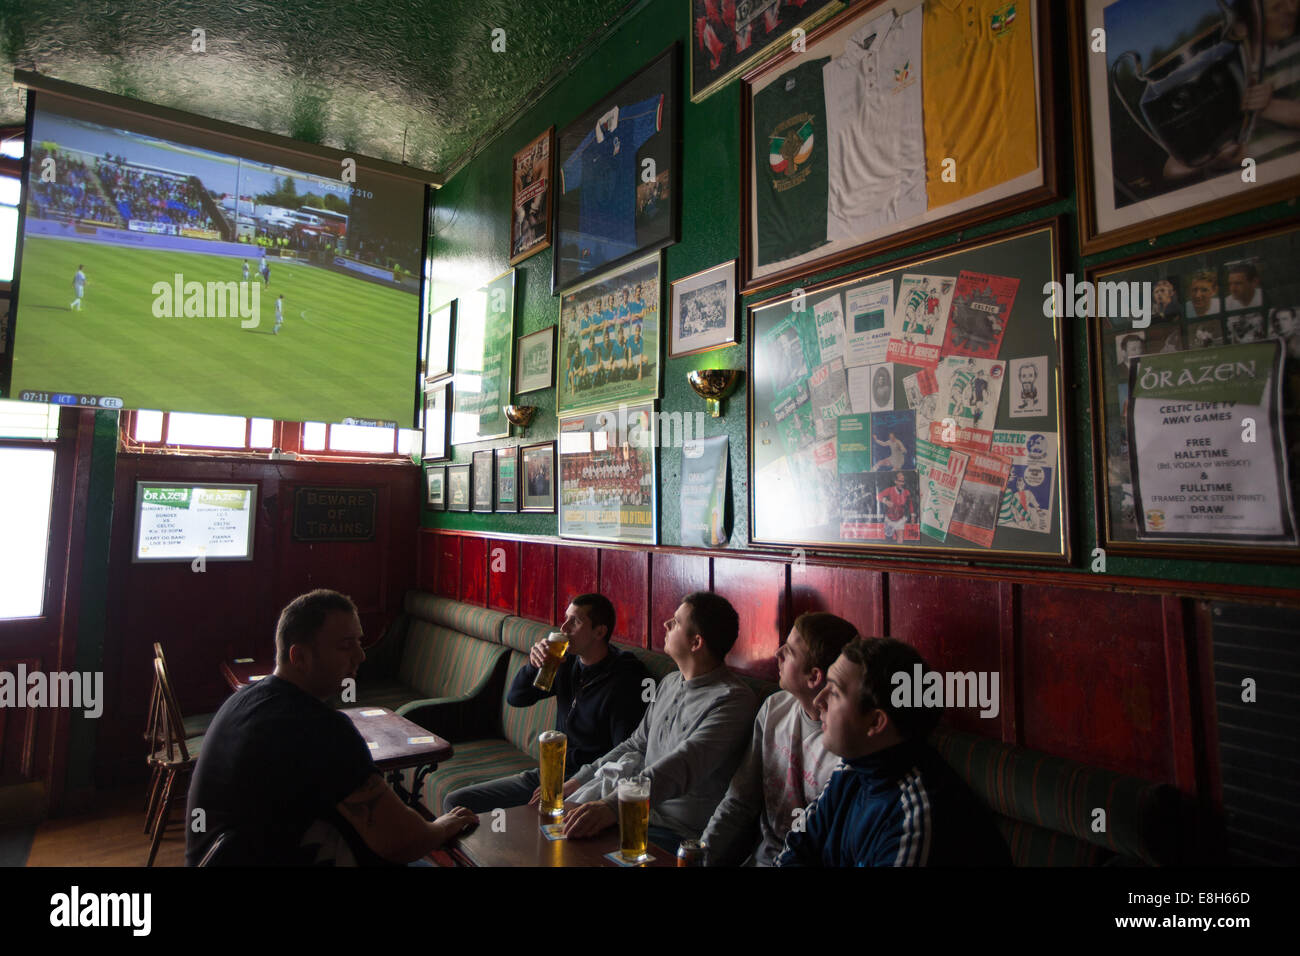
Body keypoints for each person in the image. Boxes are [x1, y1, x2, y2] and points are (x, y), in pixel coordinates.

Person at [185, 590, 477, 866]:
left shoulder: (242, 701)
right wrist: (442, 825)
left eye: (360, 643)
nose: (361, 657)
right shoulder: (318, 727)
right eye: (345, 646)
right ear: (299, 657)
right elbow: (400, 840)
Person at [776, 636, 1010, 867]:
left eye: (835, 692)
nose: (818, 700)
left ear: (876, 723)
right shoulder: (853, 768)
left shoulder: (915, 816)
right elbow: (796, 843)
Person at [559, 592, 758, 851]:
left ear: (696, 642)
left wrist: (610, 807)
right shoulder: (669, 683)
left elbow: (683, 765)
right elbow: (636, 745)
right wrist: (580, 779)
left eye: (675, 622)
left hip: (678, 833)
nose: (666, 625)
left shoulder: (733, 700)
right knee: (556, 837)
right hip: (636, 813)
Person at [441, 594, 650, 814]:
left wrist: (575, 785)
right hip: (548, 774)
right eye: (566, 618)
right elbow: (517, 698)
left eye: (575, 622)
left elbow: (624, 756)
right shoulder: (565, 662)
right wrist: (534, 665)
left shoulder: (624, 681)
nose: (564, 627)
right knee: (456, 802)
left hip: (585, 787)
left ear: (600, 632)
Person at [702, 612, 858, 866]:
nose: (777, 653)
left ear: (814, 677)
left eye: (790, 651)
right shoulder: (774, 707)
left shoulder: (846, 746)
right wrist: (702, 855)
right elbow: (740, 800)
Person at [877, 471, 916, 543]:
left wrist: (912, 516)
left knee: (900, 540)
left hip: (900, 519)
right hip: (889, 519)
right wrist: (886, 501)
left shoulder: (906, 492)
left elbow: (910, 504)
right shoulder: (890, 490)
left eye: (903, 481)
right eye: (900, 481)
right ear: (895, 481)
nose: (902, 483)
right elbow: (878, 496)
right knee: (888, 541)